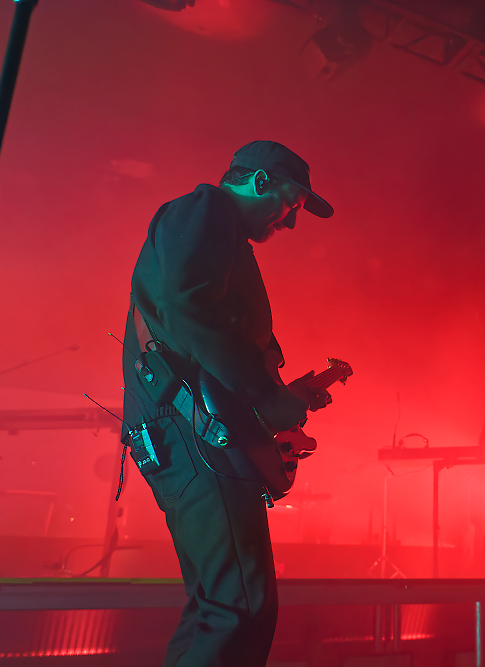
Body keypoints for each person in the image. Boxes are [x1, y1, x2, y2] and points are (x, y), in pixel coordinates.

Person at [120, 141, 334, 666]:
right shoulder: (207, 208)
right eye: (292, 203)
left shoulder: (215, 230)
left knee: (215, 609)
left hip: (183, 434)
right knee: (239, 608)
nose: (290, 221)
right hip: (194, 436)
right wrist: (265, 396)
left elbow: (197, 325)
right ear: (259, 182)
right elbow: (188, 307)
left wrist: (275, 397)